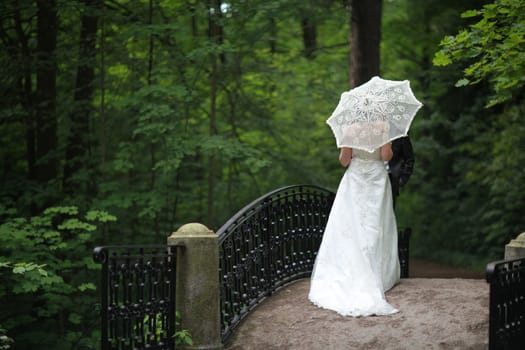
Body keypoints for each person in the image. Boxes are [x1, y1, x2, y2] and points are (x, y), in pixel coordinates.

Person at [308, 143, 400, 317]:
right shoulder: (382, 125)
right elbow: (386, 156)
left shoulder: (350, 127)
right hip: (376, 178)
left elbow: (344, 161)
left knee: (351, 224)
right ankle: (378, 274)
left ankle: (353, 267)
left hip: (356, 177)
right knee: (375, 224)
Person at [388, 136, 415, 209]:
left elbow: (409, 158)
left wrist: (402, 179)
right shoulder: (372, 131)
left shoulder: (401, 134)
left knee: (389, 212)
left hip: (392, 179)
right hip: (371, 179)